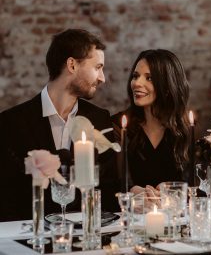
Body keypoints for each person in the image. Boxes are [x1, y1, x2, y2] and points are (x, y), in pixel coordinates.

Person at [0, 29, 119, 221]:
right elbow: (5, 197)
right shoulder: (11, 122)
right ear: (72, 65)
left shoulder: (100, 119)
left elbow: (108, 189)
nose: (102, 77)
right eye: (97, 67)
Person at [112, 49, 192, 194]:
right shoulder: (119, 125)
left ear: (168, 86)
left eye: (149, 78)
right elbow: (111, 183)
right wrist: (132, 192)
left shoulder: (184, 130)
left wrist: (173, 190)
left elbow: (194, 185)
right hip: (131, 214)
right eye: (135, 76)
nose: (137, 83)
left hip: (172, 214)